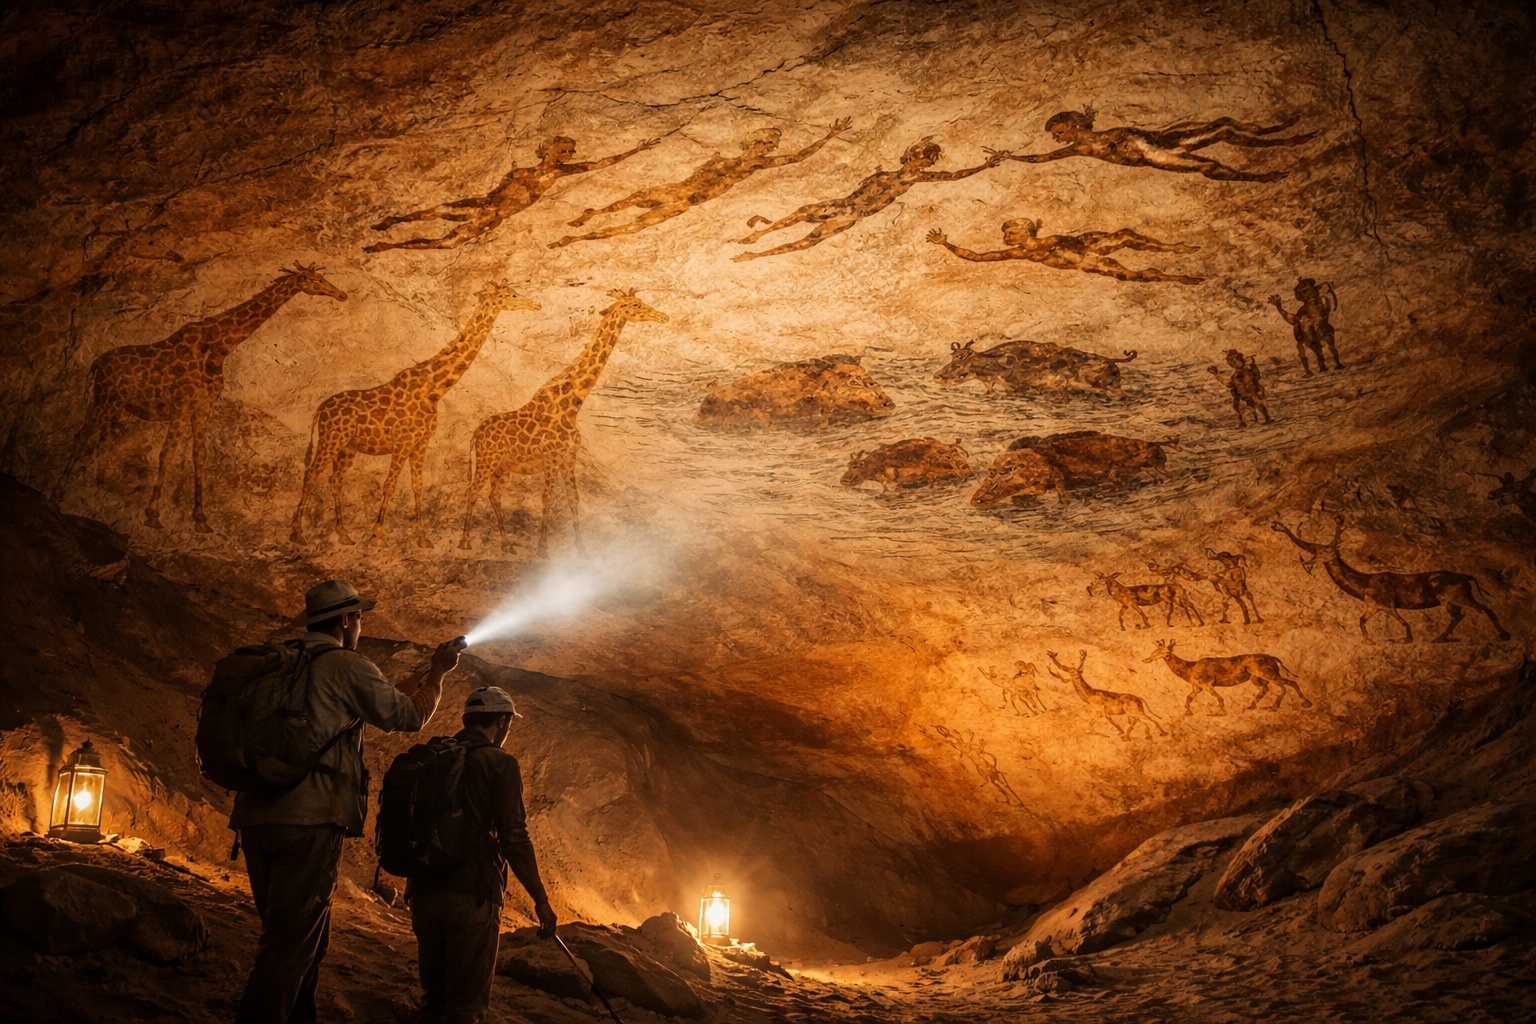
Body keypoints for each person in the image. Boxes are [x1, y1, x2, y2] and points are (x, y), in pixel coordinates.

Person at [232, 579, 461, 1024]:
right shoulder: (347, 664)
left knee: (301, 942)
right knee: (288, 950)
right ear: (344, 619)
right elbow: (409, 716)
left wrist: (412, 678)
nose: (360, 625)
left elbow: (358, 706)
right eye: (358, 618)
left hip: (255, 814)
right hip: (309, 818)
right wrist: (438, 674)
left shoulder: (282, 661)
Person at [409, 686, 557, 1024]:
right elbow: (514, 837)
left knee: (433, 1002)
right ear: (502, 721)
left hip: (423, 893)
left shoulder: (434, 756)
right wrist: (541, 900)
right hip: (471, 895)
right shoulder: (500, 762)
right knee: (465, 1008)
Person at [549, 119, 852, 247]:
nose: (773, 147)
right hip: (677, 190)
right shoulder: (724, 157)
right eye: (770, 142)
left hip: (685, 200)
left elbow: (797, 157)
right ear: (756, 141)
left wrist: (829, 135)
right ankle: (594, 213)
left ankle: (576, 238)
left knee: (635, 226)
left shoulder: (756, 164)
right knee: (629, 201)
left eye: (774, 144)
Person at [363, 135, 660, 252]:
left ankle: (391, 246)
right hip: (485, 206)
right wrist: (486, 208)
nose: (569, 156)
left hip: (495, 216)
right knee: (440, 211)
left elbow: (597, 164)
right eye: (564, 151)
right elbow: (497, 192)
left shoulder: (557, 174)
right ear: (549, 150)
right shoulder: (521, 172)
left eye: (570, 152)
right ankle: (396, 220)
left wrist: (634, 151)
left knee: (449, 243)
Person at [731, 137, 1006, 261]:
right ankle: (761, 234)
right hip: (844, 204)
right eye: (925, 156)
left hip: (852, 214)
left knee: (808, 240)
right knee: (802, 212)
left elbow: (953, 176)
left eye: (929, 159)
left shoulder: (913, 179)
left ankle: (758, 254)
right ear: (912, 155)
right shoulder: (887, 173)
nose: (927, 162)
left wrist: (984, 166)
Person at [998, 107, 1316, 182]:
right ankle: (1259, 177)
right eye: (1056, 135)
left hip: (1160, 139)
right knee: (1207, 166)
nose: (1057, 138)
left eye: (1059, 131)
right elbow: (1043, 158)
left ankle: (1279, 135)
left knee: (1221, 127)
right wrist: (1012, 157)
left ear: (1073, 124)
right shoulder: (1082, 148)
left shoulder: (1095, 135)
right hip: (1153, 154)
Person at [926, 217, 1204, 284]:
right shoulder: (1021, 254)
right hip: (1085, 262)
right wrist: (946, 244)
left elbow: (1076, 242)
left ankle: (1173, 247)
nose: (1006, 238)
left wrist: (1090, 243)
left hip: (1087, 248)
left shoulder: (1047, 241)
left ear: (1024, 233)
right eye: (1006, 234)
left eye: (1010, 233)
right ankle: (1175, 278)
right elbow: (977, 257)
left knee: (1127, 237)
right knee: (1130, 275)